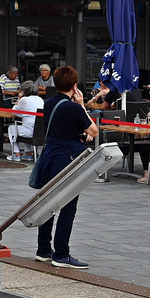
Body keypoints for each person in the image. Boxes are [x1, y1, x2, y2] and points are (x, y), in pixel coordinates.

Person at [34, 66, 96, 267]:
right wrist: (82, 105)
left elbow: (64, 126)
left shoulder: (49, 103)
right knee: (68, 207)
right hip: (68, 159)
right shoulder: (74, 107)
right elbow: (93, 130)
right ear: (75, 86)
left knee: (48, 205)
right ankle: (62, 254)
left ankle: (44, 250)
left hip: (50, 157)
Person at [9, 84, 44, 160]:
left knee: (11, 128)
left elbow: (14, 111)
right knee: (25, 126)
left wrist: (19, 99)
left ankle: (16, 154)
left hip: (29, 131)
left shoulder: (24, 100)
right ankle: (28, 153)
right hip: (39, 131)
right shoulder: (40, 99)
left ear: (24, 91)